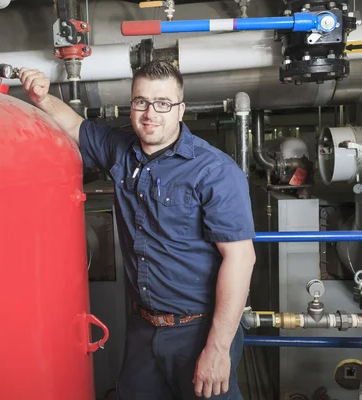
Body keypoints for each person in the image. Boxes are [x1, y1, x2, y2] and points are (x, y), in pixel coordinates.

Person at [19, 61, 256, 400]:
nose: (150, 113)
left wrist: (218, 348)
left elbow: (240, 258)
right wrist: (41, 97)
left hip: (199, 330)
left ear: (180, 109)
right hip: (143, 329)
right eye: (141, 101)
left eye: (163, 103)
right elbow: (73, 124)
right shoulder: (121, 149)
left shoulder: (214, 171)